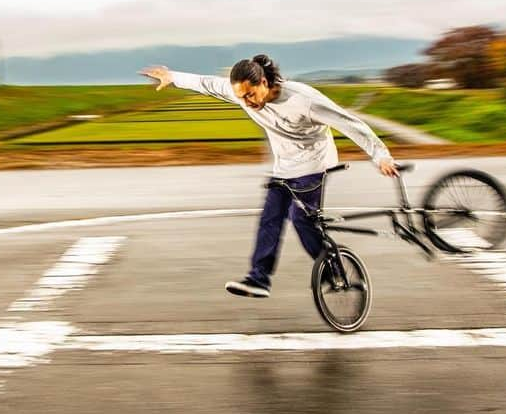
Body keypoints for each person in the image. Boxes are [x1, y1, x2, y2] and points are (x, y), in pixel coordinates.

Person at [140, 55, 398, 299]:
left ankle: (334, 271)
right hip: (284, 167)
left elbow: (349, 123)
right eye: (241, 97)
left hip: (314, 164)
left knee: (301, 219)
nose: (248, 102)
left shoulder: (302, 99)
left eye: (250, 94)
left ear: (263, 82)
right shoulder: (242, 93)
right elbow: (207, 83)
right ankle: (259, 279)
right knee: (270, 218)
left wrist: (380, 155)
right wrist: (171, 76)